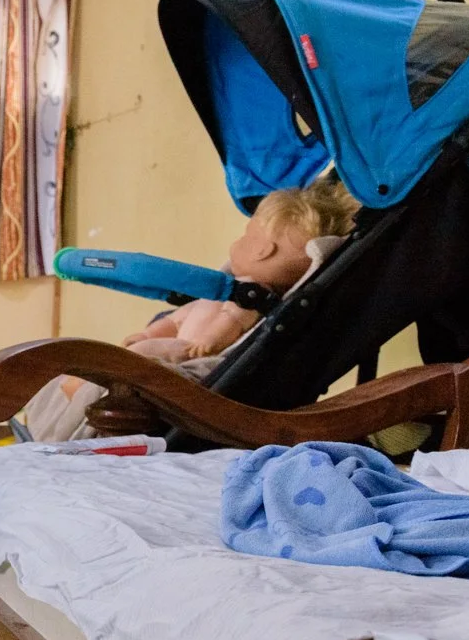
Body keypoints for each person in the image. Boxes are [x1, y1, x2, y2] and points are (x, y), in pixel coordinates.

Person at [24, 178, 360, 442]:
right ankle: (61, 403)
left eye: (247, 235)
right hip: (169, 348)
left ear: (262, 249)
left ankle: (65, 414)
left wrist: (209, 343)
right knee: (97, 359)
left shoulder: (251, 300)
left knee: (117, 365)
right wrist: (150, 332)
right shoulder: (220, 293)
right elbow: (176, 319)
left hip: (184, 358)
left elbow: (230, 323)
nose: (241, 241)